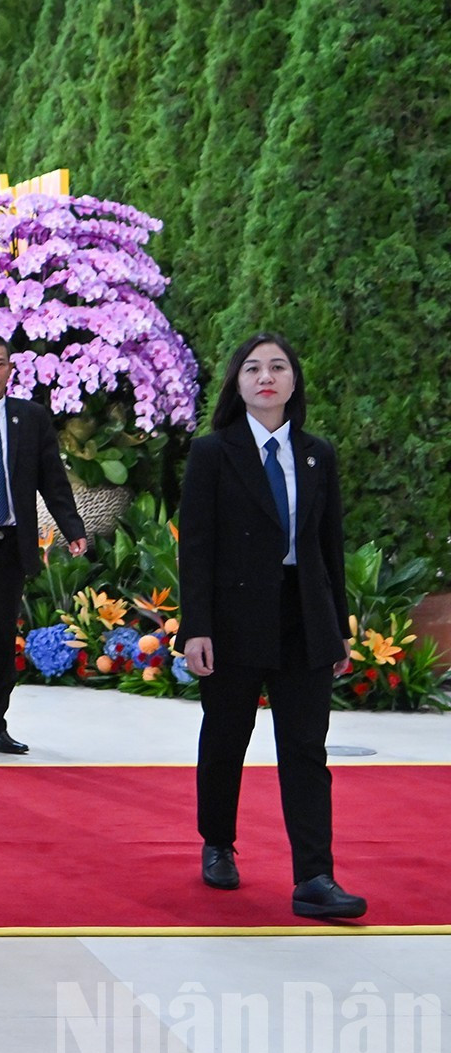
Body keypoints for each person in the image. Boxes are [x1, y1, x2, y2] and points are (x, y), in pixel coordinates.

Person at [179, 334, 362, 919]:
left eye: (278, 367)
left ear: (293, 381)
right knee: (226, 737)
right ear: (237, 383)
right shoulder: (213, 453)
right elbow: (196, 547)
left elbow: (328, 546)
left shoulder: (316, 454)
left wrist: (338, 627)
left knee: (305, 748)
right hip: (233, 619)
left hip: (303, 616)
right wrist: (196, 627)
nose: (266, 377)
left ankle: (315, 877)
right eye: (253, 368)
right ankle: (218, 842)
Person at [0, 334, 87, 755]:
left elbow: (52, 480)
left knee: (4, 637)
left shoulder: (31, 417)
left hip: (11, 545)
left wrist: (72, 527)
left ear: (10, 368)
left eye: (0, 363)